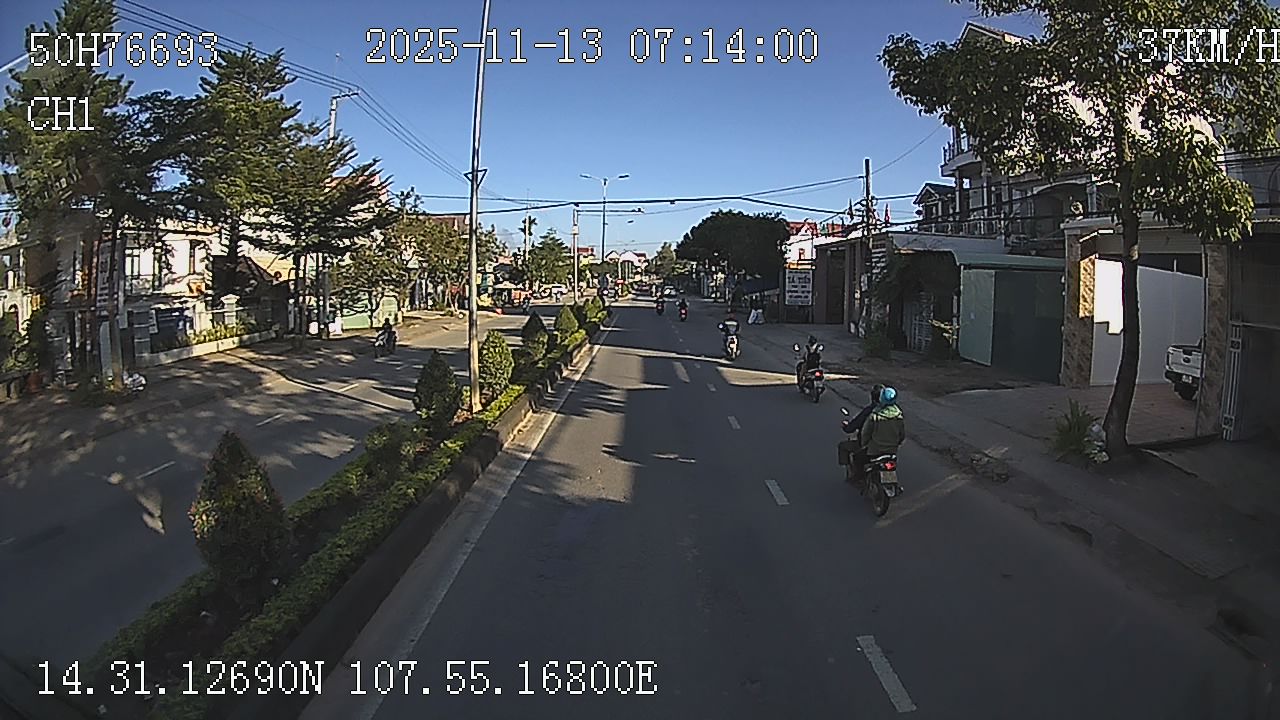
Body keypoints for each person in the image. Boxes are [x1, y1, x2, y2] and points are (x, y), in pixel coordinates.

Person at [838, 385, 904, 487]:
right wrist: (895, 444)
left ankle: (858, 477)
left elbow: (865, 433)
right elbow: (902, 435)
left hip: (874, 450)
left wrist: (865, 445)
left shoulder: (874, 415)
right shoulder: (898, 415)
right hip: (892, 451)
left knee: (856, 457)